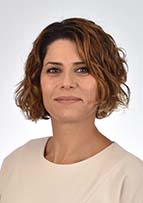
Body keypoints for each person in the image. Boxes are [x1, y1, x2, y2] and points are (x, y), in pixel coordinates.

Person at [0, 17, 143, 203]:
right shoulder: (15, 163)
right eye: (53, 70)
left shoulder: (130, 177)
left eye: (83, 69)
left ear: (105, 80)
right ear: (37, 80)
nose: (66, 83)